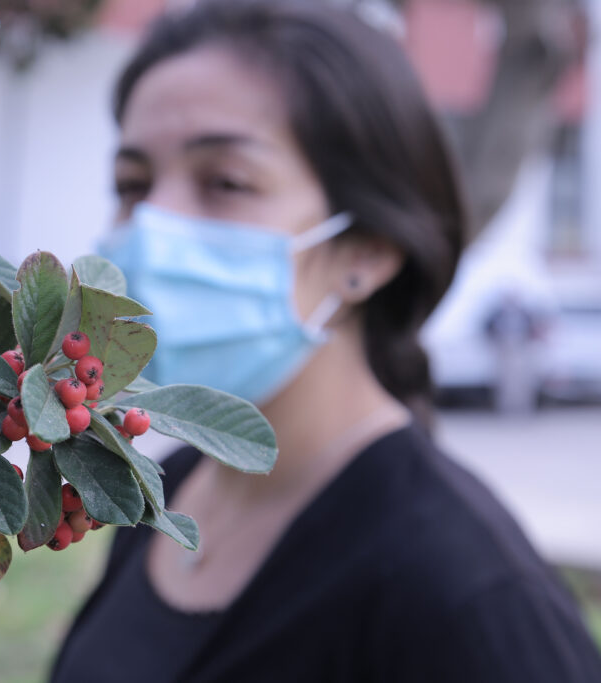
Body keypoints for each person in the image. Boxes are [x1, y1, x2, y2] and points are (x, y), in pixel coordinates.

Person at [50, 1, 601, 681]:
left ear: (367, 249)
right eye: (132, 184)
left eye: (225, 181)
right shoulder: (160, 490)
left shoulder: (469, 593)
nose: (153, 223)